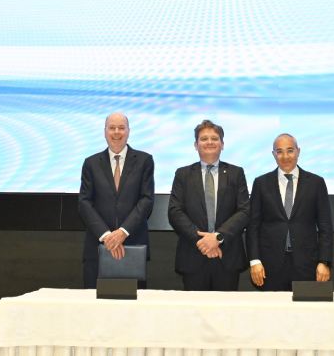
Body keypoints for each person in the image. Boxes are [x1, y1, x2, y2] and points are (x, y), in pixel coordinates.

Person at [167, 119, 250, 290]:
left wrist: (218, 238)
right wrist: (204, 242)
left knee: (226, 307)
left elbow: (244, 211)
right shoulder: (183, 174)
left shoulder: (236, 173)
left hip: (227, 256)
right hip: (193, 255)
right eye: (204, 139)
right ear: (196, 145)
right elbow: (175, 212)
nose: (209, 142)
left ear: (222, 144)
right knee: (193, 307)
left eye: (214, 138)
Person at [246, 133, 334, 291]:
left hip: (307, 265)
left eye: (290, 150)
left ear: (298, 151)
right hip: (269, 266)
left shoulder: (316, 183)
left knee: (305, 307)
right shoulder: (261, 183)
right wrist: (254, 260)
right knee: (272, 307)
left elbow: (325, 226)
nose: (285, 156)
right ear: (273, 154)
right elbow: (253, 226)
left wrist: (324, 261)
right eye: (279, 151)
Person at [77, 112, 154, 288]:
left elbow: (146, 200)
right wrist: (107, 236)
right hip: (98, 248)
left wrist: (122, 232)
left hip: (133, 248)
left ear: (128, 131)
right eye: (112, 128)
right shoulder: (91, 163)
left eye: (121, 128)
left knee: (133, 304)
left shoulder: (144, 161)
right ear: (105, 131)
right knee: (94, 303)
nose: (117, 132)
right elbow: (84, 203)